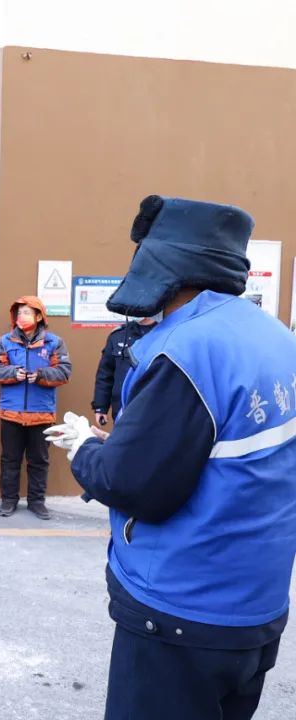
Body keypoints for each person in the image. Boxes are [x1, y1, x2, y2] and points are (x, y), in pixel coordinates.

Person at [45, 195, 296, 720]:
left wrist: (85, 447)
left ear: (164, 265)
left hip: (181, 610)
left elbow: (133, 485)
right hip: (257, 607)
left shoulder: (186, 348)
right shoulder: (275, 336)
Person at [0, 296, 71, 520]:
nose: (21, 316)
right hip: (11, 414)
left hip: (41, 414)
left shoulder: (54, 343)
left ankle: (37, 502)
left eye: (27, 312)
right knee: (10, 460)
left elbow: (64, 372)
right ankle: (8, 501)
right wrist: (14, 373)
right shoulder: (4, 342)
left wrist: (41, 375)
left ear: (39, 316)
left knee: (39, 462)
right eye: (19, 312)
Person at [91, 318, 156, 425]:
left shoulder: (164, 332)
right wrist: (101, 407)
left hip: (153, 406)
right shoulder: (118, 335)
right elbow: (105, 374)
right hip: (122, 408)